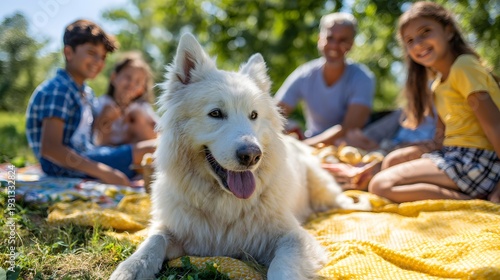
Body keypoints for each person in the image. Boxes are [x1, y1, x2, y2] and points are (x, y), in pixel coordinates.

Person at [367, 2, 500, 203]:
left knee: (381, 185)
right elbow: (442, 139)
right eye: (410, 40)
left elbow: (495, 125)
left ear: (448, 32)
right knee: (391, 162)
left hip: (477, 162)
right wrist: (409, 151)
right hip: (455, 156)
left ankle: (474, 203)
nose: (418, 43)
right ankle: (467, 195)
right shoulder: (438, 85)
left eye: (425, 32)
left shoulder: (463, 67)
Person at [25, 19, 156, 186]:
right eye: (91, 53)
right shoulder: (59, 90)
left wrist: (106, 120)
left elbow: (90, 137)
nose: (98, 62)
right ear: (69, 53)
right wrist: (104, 172)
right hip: (62, 166)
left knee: (146, 157)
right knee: (154, 148)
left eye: (102, 57)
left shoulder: (85, 92)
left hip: (87, 155)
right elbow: (50, 148)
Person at [274, 12, 376, 146]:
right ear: (319, 40)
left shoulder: (362, 78)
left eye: (342, 40)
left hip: (349, 146)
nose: (334, 46)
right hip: (313, 141)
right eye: (330, 38)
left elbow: (350, 128)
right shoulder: (305, 74)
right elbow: (274, 113)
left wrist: (306, 146)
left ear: (351, 44)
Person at [93, 52, 158, 146]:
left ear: (141, 90)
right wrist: (107, 118)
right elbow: (93, 132)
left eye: (138, 82)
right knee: (107, 110)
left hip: (134, 146)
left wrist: (140, 123)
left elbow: (158, 129)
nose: (131, 84)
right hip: (108, 148)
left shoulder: (142, 107)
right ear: (114, 77)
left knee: (138, 116)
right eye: (128, 77)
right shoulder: (103, 102)